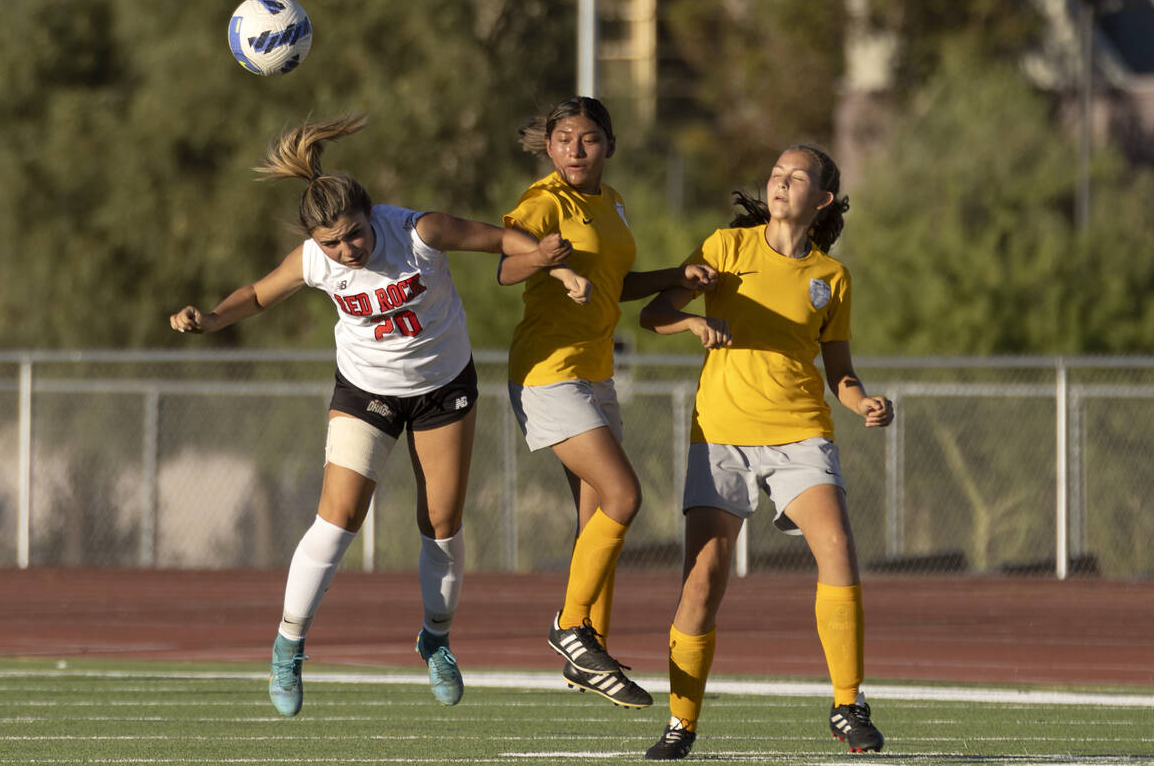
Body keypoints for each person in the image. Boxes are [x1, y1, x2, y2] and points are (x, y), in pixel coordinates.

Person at [168, 114, 583, 716]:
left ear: (371, 216)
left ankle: (435, 641)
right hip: (367, 392)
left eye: (354, 236)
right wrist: (209, 318)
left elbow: (498, 239)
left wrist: (553, 261)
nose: (346, 251)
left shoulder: (417, 231)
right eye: (332, 243)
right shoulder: (316, 260)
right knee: (337, 521)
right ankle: (288, 647)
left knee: (441, 522)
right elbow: (257, 295)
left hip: (444, 385)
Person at [637, 144, 894, 759]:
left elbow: (842, 373)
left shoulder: (831, 278)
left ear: (822, 200)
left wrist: (864, 404)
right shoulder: (726, 247)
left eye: (796, 177)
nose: (780, 183)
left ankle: (848, 704)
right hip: (720, 432)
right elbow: (654, 313)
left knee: (837, 547)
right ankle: (681, 724)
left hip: (801, 432)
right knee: (704, 580)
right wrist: (693, 323)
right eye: (777, 173)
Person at [497, 97, 719, 709]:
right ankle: (570, 629)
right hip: (548, 373)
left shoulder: (612, 202)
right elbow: (506, 268)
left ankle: (587, 645)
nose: (574, 149)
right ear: (549, 146)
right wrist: (541, 259)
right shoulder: (545, 200)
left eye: (588, 139)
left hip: (595, 373)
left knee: (598, 519)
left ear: (608, 147)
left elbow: (616, 286)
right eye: (563, 137)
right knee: (624, 497)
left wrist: (675, 275)